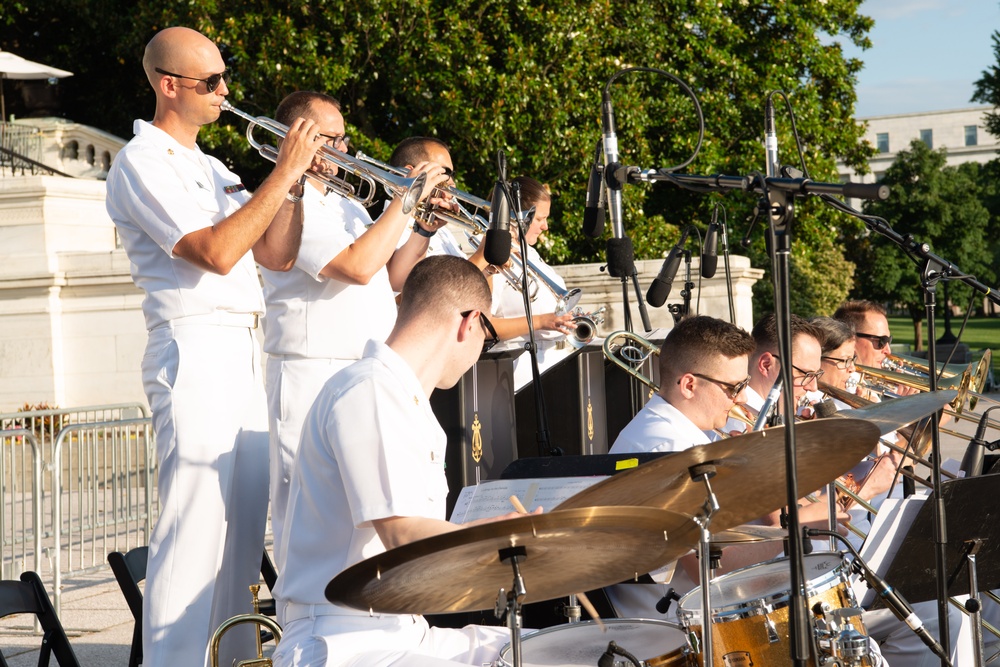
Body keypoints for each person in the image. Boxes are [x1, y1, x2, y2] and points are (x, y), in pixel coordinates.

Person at [104, 27, 322, 667]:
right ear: (169, 86)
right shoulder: (141, 162)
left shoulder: (214, 166)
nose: (225, 94)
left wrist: (299, 184)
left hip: (240, 349)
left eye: (225, 78)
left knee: (241, 535)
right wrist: (283, 171)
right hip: (192, 347)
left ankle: (235, 658)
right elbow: (216, 251)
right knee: (193, 529)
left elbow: (275, 255)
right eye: (211, 83)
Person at [272, 255, 533, 667]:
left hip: (400, 628)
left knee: (552, 647)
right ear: (470, 323)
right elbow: (403, 535)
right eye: (489, 334)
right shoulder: (371, 390)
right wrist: (498, 539)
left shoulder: (401, 398)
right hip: (341, 639)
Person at [260, 92, 451, 572]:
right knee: (310, 518)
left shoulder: (346, 206)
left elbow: (392, 278)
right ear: (297, 139)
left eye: (344, 138)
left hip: (360, 371)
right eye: (332, 139)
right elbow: (358, 266)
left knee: (365, 519)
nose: (346, 150)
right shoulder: (291, 203)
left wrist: (422, 228)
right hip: (312, 372)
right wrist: (405, 204)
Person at [606, 315, 757, 619]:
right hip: (672, 630)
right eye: (734, 387)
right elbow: (712, 570)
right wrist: (800, 529)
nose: (741, 398)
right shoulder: (668, 450)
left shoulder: (690, 433)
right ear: (689, 385)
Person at [474, 176, 576, 390]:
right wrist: (541, 322)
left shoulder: (531, 253)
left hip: (554, 367)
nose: (546, 226)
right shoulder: (495, 254)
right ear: (518, 217)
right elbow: (483, 327)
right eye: (540, 219)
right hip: (521, 377)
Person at [389, 136, 470, 258]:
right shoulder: (391, 228)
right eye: (444, 173)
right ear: (410, 174)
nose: (452, 183)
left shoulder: (443, 232)